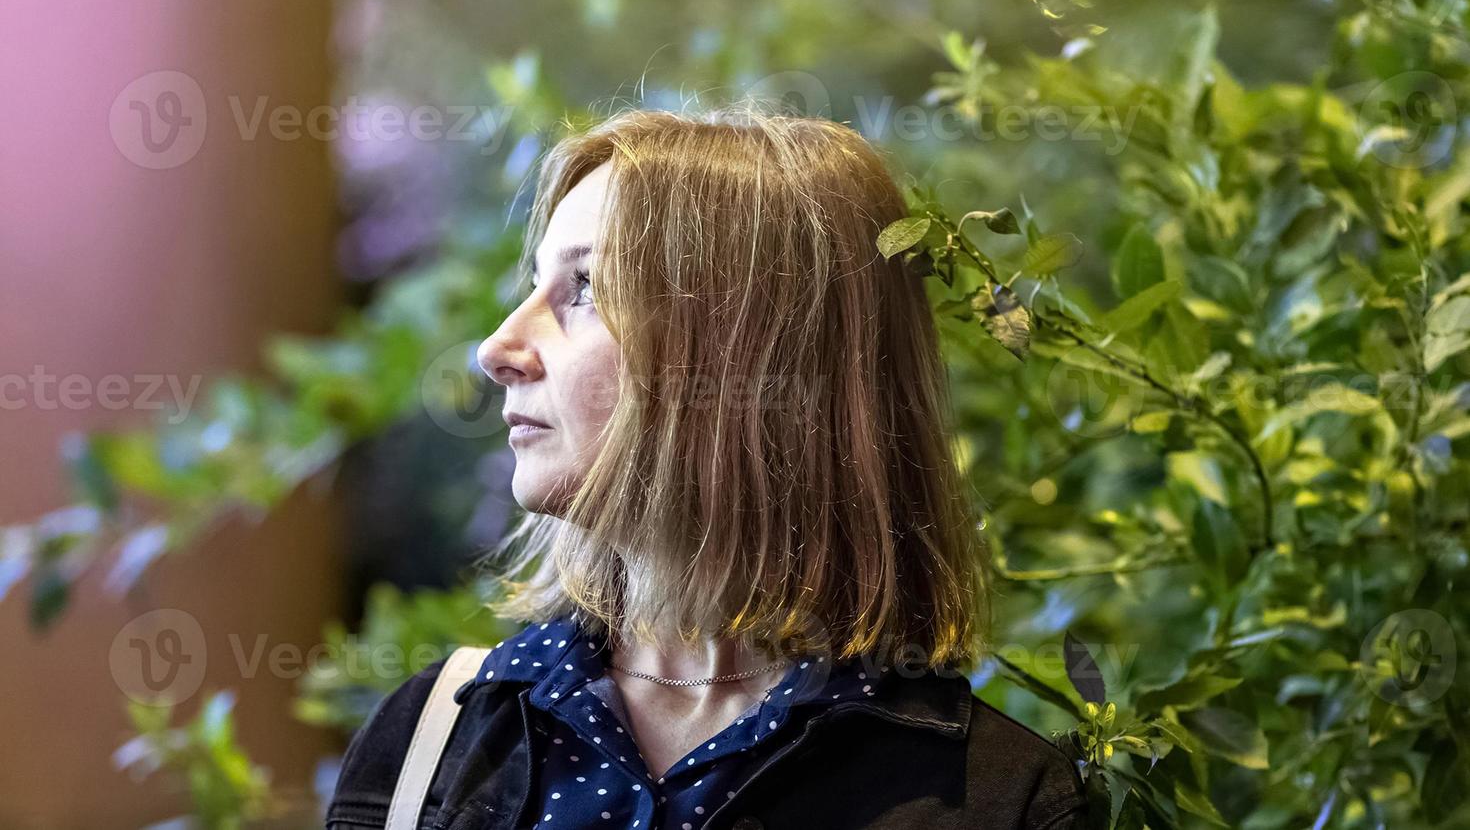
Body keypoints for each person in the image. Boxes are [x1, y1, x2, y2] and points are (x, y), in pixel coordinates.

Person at [326, 105, 1089, 830]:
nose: (497, 348)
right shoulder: (431, 741)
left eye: (586, 287)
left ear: (756, 358)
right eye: (534, 286)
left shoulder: (1000, 802)